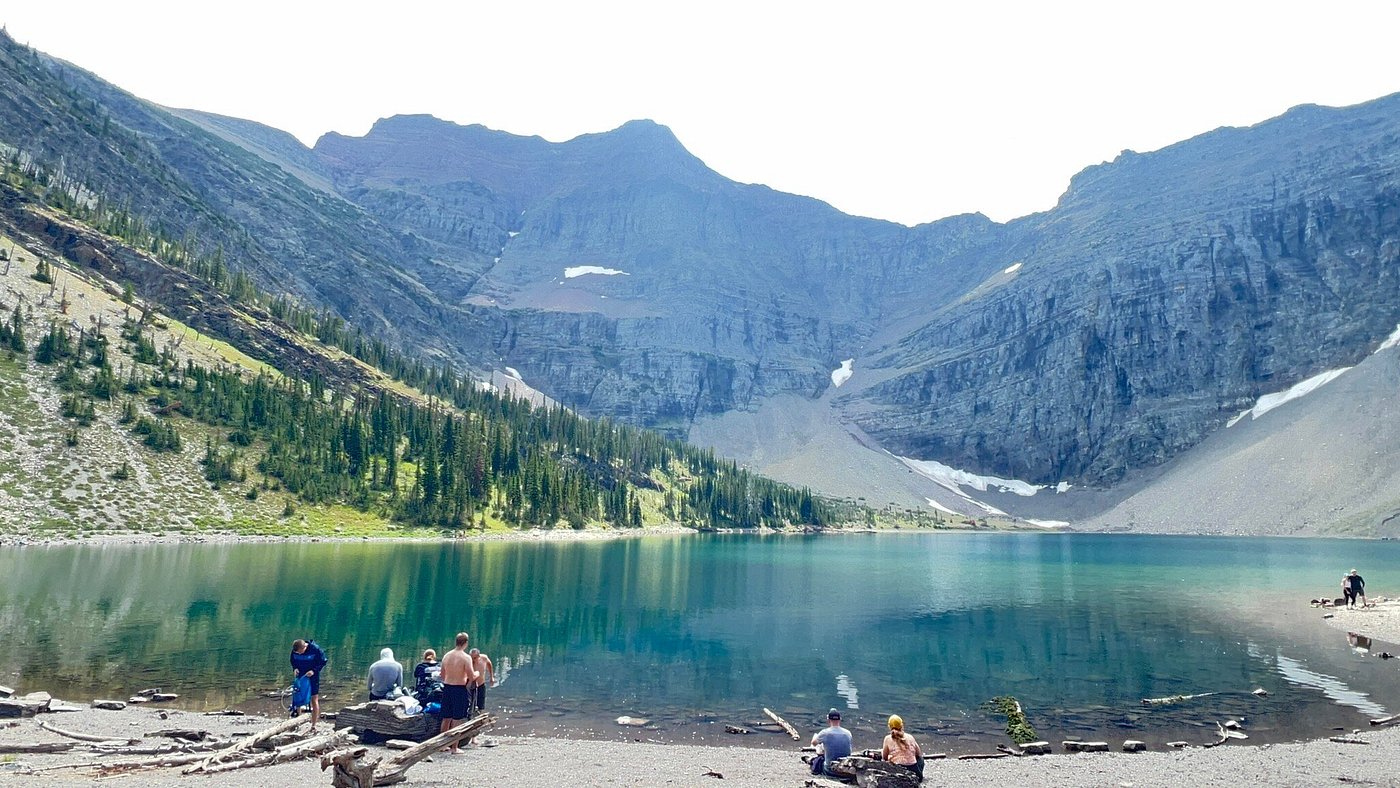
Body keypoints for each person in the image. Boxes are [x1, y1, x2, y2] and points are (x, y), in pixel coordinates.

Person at [439, 632, 478, 752]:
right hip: (459, 689)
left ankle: (442, 745)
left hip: (447, 688)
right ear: (466, 643)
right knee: (457, 719)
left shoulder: (447, 655)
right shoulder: (466, 657)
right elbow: (471, 677)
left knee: (446, 718)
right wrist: (477, 674)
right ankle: (454, 747)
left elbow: (442, 675)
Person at [289, 638, 328, 732]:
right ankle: (297, 722)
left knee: (314, 699)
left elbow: (323, 661)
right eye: (297, 653)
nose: (299, 654)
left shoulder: (315, 649)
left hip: (312, 676)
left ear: (304, 647)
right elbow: (292, 661)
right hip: (300, 676)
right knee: (297, 697)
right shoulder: (295, 650)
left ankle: (313, 725)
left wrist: (314, 671)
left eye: (300, 652)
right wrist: (295, 668)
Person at [808, 708, 853, 777]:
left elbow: (813, 743)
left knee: (820, 750)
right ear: (840, 720)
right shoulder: (848, 733)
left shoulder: (825, 733)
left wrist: (815, 737)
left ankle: (811, 761)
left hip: (830, 770)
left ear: (828, 720)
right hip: (846, 768)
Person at [882, 714, 924, 782]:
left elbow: (884, 758)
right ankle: (919, 776)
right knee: (920, 759)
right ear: (902, 725)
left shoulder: (887, 739)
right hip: (915, 773)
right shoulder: (910, 737)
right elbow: (918, 754)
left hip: (899, 772)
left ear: (889, 726)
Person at [470, 648, 495, 713]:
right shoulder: (468, 661)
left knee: (481, 701)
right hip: (471, 684)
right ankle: (470, 712)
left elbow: (489, 664)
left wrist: (491, 677)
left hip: (481, 683)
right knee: (471, 701)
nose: (472, 659)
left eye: (474, 658)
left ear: (478, 656)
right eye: (471, 657)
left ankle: (480, 712)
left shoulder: (484, 658)